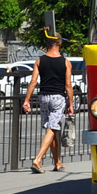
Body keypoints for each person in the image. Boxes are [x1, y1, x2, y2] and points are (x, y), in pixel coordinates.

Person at [22, 32, 74, 173]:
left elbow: (33, 82)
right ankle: (38, 160)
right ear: (60, 43)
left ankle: (57, 162)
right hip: (58, 98)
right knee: (52, 128)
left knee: (51, 129)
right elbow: (68, 86)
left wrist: (27, 100)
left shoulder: (39, 61)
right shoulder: (65, 62)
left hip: (43, 97)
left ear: (47, 44)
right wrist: (71, 104)